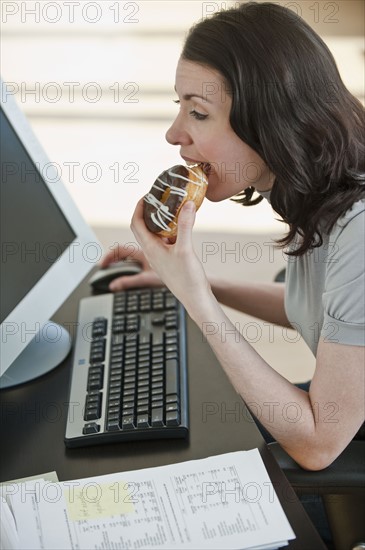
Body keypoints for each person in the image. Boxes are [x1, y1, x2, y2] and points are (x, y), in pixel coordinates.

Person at [102, 2, 365, 469]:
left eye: (198, 113)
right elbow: (332, 318)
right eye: (179, 107)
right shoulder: (315, 187)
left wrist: (196, 298)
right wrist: (197, 283)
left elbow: (319, 445)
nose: (173, 134)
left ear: (270, 121)